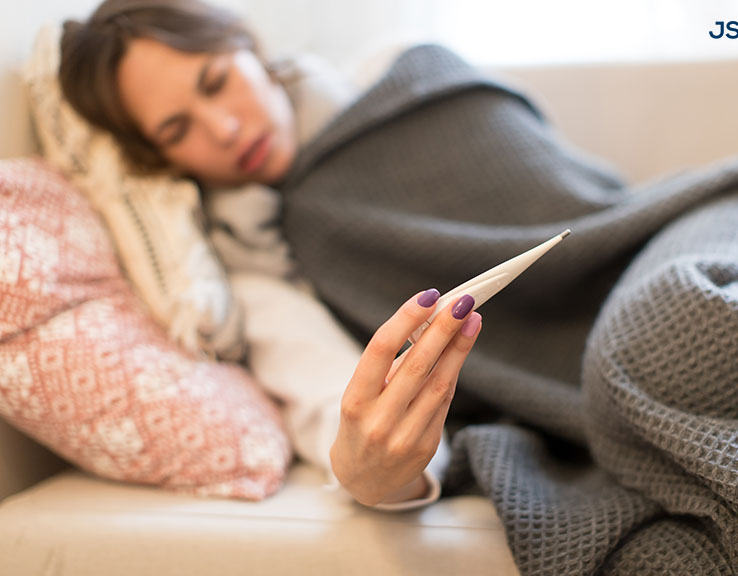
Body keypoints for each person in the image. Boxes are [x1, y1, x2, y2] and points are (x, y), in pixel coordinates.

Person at [58, 0, 483, 509]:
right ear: (160, 160)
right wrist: (377, 475)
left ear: (248, 45)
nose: (224, 130)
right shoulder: (253, 276)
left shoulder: (405, 73)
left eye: (215, 82)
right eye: (177, 130)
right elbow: (337, 408)